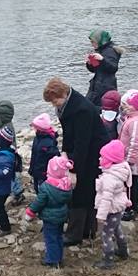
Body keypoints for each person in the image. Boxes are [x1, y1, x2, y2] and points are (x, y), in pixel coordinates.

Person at [43, 78, 109, 245]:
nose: (54, 105)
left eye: (55, 101)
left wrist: (73, 170)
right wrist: (65, 153)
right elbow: (69, 134)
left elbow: (82, 144)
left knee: (81, 191)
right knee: (87, 190)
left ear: (63, 94)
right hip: (85, 150)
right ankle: (87, 230)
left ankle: (75, 234)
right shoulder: (68, 105)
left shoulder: (81, 111)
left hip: (93, 153)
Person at [24, 156, 74, 268]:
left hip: (50, 217)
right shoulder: (67, 184)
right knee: (59, 236)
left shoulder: (46, 187)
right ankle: (59, 258)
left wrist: (30, 212)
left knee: (50, 238)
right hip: (62, 215)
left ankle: (52, 260)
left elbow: (39, 202)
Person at [94, 140, 133, 269]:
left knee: (106, 234)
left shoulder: (109, 178)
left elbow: (106, 198)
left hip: (111, 209)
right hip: (119, 207)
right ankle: (123, 250)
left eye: (102, 157)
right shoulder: (119, 171)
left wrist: (101, 215)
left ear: (110, 161)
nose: (99, 159)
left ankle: (108, 260)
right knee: (116, 229)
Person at [118, 89, 138, 220]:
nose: (123, 107)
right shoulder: (134, 117)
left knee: (131, 184)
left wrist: (129, 160)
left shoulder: (135, 122)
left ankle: (131, 208)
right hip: (131, 157)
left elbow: (135, 143)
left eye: (126, 105)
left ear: (135, 107)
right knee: (131, 183)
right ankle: (133, 205)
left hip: (133, 160)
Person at [84, 29, 122, 105]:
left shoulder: (110, 51)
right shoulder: (100, 50)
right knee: (88, 105)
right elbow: (95, 69)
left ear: (101, 41)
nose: (92, 44)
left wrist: (102, 59)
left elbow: (113, 68)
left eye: (93, 42)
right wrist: (89, 63)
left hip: (106, 86)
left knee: (92, 106)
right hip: (97, 84)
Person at [28, 113, 60, 192]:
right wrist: (31, 169)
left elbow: (55, 157)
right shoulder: (37, 138)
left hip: (43, 173)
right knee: (37, 188)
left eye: (35, 127)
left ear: (40, 129)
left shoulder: (48, 143)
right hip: (36, 170)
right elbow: (34, 155)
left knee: (43, 190)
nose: (34, 129)